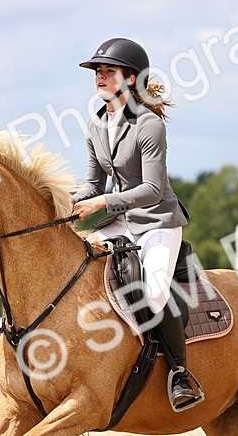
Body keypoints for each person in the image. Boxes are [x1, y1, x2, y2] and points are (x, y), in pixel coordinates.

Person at [71, 37, 203, 411]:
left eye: (107, 71)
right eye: (97, 72)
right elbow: (93, 183)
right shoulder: (95, 124)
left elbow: (151, 189)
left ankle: (180, 372)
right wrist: (71, 198)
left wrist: (101, 201)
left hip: (158, 221)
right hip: (122, 221)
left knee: (156, 292)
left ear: (130, 79)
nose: (99, 77)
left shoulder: (148, 125)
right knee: (81, 263)